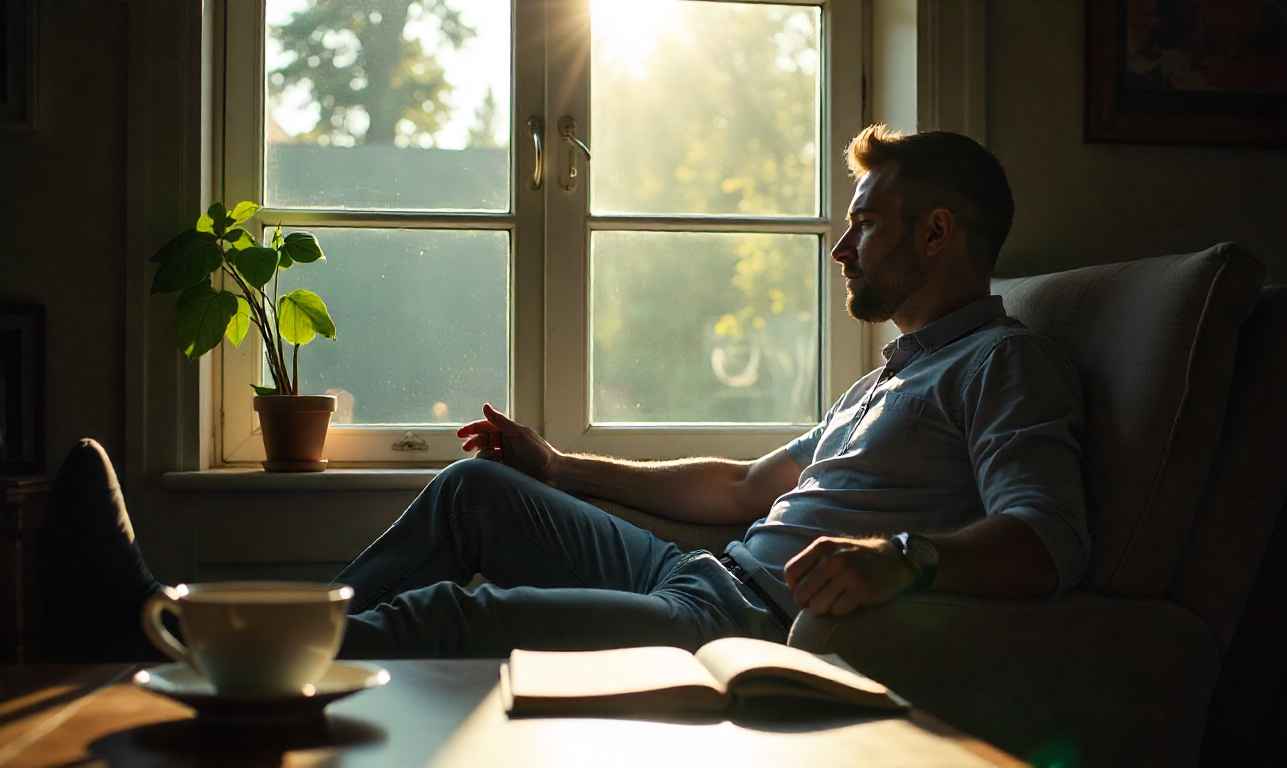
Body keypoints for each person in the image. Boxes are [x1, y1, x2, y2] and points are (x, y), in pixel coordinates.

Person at [39, 126, 1089, 662]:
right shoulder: (889, 377)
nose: (843, 248)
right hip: (705, 571)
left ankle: (170, 640)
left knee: (454, 617)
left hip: (741, 624)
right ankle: (185, 630)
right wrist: (557, 466)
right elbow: (739, 487)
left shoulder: (1004, 366)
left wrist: (900, 558)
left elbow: (1048, 542)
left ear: (938, 234)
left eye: (865, 224)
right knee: (473, 494)